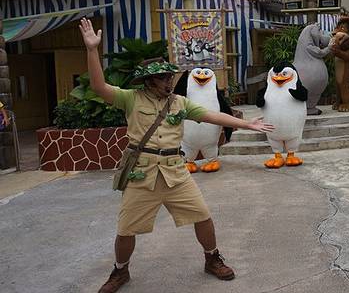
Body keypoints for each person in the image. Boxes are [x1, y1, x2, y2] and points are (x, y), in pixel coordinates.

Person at [78, 18, 274, 293]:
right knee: (125, 229)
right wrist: (91, 50)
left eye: (170, 76)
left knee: (203, 216)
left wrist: (246, 124)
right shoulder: (131, 98)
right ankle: (120, 271)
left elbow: (212, 115)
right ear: (149, 81)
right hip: (142, 174)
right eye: (163, 77)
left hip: (175, 171)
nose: (169, 80)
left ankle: (212, 259)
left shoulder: (179, 103)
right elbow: (99, 87)